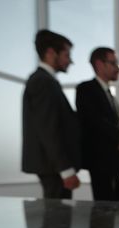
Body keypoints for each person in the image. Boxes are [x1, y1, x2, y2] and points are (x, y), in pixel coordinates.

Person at [22, 29, 81, 199]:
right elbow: (48, 130)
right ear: (50, 52)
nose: (70, 61)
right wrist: (65, 170)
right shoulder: (42, 82)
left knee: (56, 220)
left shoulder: (45, 81)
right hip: (53, 167)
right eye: (67, 54)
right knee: (57, 220)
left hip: (52, 166)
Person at [76, 47, 119, 202]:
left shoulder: (110, 95)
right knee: (104, 211)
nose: (118, 68)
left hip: (117, 161)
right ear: (100, 64)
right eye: (114, 63)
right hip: (101, 162)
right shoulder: (86, 89)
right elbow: (94, 120)